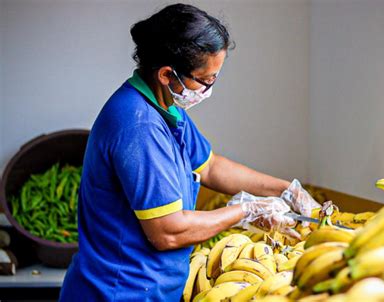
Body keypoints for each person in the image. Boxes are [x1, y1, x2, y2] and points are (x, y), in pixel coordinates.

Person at [59, 3, 318, 301]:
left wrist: (288, 190)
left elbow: (211, 167)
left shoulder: (166, 109)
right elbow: (167, 231)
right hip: (118, 292)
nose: (209, 89)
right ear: (168, 75)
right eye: (206, 80)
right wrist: (246, 211)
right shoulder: (137, 125)